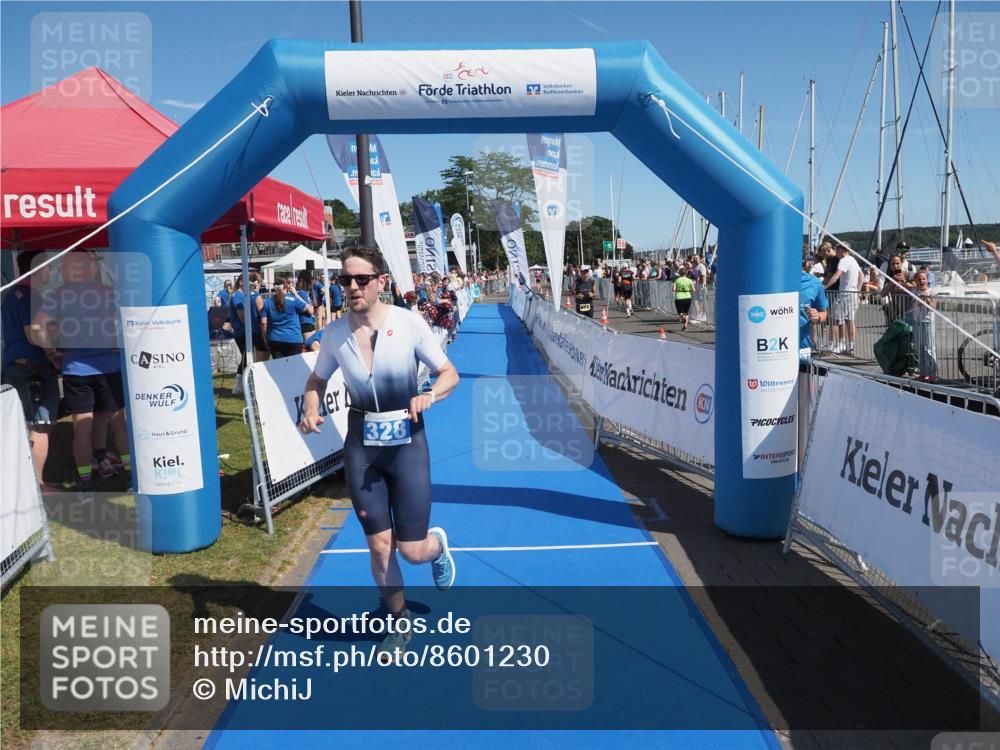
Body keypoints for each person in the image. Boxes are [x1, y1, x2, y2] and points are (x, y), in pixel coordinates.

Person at [298, 245, 460, 661]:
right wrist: (311, 405)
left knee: (411, 550)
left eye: (361, 279)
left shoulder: (409, 323)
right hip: (363, 450)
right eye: (344, 280)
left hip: (408, 447)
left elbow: (449, 374)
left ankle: (436, 547)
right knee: (380, 548)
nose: (352, 287)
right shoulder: (334, 333)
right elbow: (316, 382)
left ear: (380, 282)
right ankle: (400, 621)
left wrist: (430, 397)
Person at [33, 252, 130, 501]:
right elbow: (125, 322)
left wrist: (52, 351)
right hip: (109, 367)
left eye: (63, 266)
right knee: (119, 422)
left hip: (76, 369)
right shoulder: (107, 291)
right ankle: (131, 477)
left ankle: (86, 484)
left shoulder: (57, 295)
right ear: (90, 268)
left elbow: (37, 327)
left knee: (82, 428)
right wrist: (116, 342)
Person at [1, 251, 61, 490]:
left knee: (25, 425)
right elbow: (33, 333)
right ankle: (37, 485)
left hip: (15, 365)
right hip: (33, 366)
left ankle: (25, 485)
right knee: (41, 424)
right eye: (48, 267)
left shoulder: (10, 295)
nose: (51, 272)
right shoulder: (29, 295)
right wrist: (53, 353)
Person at [824, 242, 864, 354]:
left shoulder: (843, 260)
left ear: (843, 250)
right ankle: (850, 346)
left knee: (833, 319)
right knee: (850, 320)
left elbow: (836, 275)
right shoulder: (853, 260)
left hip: (844, 294)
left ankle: (832, 344)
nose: (836, 251)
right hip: (853, 293)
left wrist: (825, 287)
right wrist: (858, 290)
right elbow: (861, 275)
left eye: (837, 249)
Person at [230, 272, 266, 395]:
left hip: (247, 331)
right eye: (248, 281)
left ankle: (244, 384)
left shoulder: (245, 295)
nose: (251, 284)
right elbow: (242, 317)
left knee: (248, 358)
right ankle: (239, 385)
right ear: (241, 282)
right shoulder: (238, 296)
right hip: (242, 332)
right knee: (246, 357)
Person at [262, 276, 311, 358]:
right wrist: (295, 294)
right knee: (293, 368)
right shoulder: (293, 300)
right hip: (293, 338)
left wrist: (265, 339)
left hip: (275, 338)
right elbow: (308, 308)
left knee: (279, 368)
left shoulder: (267, 302)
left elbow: (263, 323)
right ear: (286, 286)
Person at [907, 270, 938, 381]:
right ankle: (923, 372)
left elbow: (934, 307)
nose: (922, 281)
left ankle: (933, 374)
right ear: (916, 281)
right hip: (917, 321)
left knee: (929, 348)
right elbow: (907, 278)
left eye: (924, 278)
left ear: (927, 280)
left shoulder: (932, 291)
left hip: (928, 322)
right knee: (919, 349)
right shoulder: (914, 290)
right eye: (919, 279)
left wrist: (927, 298)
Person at [799, 258, 829, 361]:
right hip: (771, 349)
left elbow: (824, 314)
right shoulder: (769, 279)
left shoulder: (814, 282)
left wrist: (818, 317)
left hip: (801, 349)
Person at [295, 270, 317, 338]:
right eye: (311, 280)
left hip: (310, 322)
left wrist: (312, 291)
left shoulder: (306, 293)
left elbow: (315, 304)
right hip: (305, 323)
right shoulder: (301, 293)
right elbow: (311, 311)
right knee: (313, 347)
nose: (312, 282)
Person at [673, 264, 694, 330]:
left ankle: (683, 318)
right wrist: (688, 290)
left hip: (679, 297)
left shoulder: (677, 280)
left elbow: (673, 289)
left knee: (680, 312)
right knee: (686, 312)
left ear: (679, 273)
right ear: (686, 273)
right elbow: (694, 289)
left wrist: (678, 289)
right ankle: (685, 325)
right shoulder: (689, 280)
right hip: (688, 297)